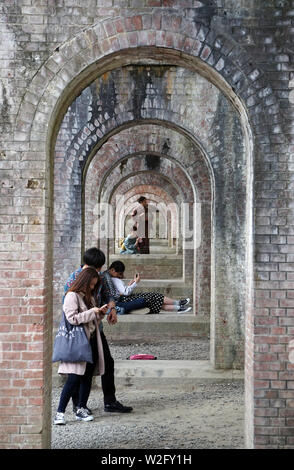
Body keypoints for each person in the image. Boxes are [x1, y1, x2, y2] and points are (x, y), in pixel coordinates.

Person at [62, 248, 133, 418]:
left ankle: (109, 401)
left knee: (107, 363)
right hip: (80, 332)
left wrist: (112, 309)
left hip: (96, 329)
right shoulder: (74, 279)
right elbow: (70, 311)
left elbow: (108, 294)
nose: (100, 272)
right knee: (80, 368)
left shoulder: (100, 277)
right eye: (98, 269)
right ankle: (78, 405)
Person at [54, 267, 108, 425]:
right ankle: (59, 413)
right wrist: (92, 312)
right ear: (84, 281)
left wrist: (99, 314)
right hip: (77, 343)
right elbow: (72, 318)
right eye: (91, 284)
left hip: (90, 341)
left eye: (94, 285)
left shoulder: (88, 297)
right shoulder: (72, 296)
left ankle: (81, 408)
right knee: (73, 378)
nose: (92, 288)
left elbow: (90, 322)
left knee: (86, 378)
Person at [108, 260, 192, 314]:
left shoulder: (109, 278)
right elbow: (126, 293)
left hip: (123, 299)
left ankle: (179, 308)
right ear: (112, 270)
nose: (121, 276)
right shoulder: (114, 279)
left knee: (155, 301)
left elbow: (121, 291)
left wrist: (129, 285)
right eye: (119, 274)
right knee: (153, 296)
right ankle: (178, 304)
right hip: (125, 300)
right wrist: (135, 283)